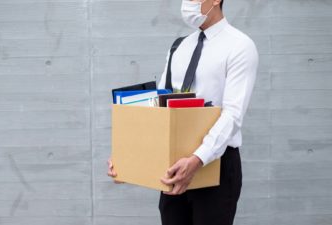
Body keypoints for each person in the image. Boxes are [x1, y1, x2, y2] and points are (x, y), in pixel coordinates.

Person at [108, 0, 258, 224]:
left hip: (215, 164)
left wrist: (197, 159)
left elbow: (233, 114)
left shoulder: (240, 46)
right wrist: (128, 158)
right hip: (174, 162)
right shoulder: (179, 47)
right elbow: (160, 108)